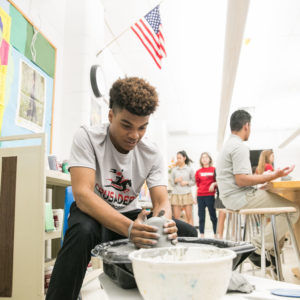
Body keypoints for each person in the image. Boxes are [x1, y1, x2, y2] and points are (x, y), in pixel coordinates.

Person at [46, 77, 197, 300]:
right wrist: (129, 229)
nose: (134, 135)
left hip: (130, 215)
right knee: (82, 232)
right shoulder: (87, 137)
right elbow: (83, 195)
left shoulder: (152, 152)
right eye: (127, 125)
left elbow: (161, 202)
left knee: (186, 233)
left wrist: (162, 223)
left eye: (142, 127)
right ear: (111, 116)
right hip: (94, 215)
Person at [216, 109, 299, 266]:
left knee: (283, 209)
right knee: (293, 209)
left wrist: (260, 186)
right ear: (246, 126)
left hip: (230, 198)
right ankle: (256, 246)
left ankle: (272, 251)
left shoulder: (228, 145)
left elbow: (239, 181)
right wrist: (274, 175)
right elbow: (242, 180)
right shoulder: (239, 146)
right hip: (239, 198)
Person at [195, 152, 218, 238]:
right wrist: (195, 197)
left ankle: (216, 234)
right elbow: (197, 185)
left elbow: (218, 181)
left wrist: (214, 184)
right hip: (200, 196)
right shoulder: (198, 172)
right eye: (202, 158)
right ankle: (202, 235)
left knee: (213, 216)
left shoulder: (214, 169)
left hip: (210, 195)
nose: (204, 159)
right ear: (201, 160)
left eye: (206, 157)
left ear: (209, 159)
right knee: (201, 216)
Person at [169, 151, 195, 225]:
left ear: (184, 158)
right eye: (177, 158)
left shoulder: (189, 169)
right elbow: (171, 183)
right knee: (176, 218)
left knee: (189, 216)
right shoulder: (174, 170)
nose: (178, 160)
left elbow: (194, 181)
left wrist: (186, 182)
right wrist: (175, 181)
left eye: (180, 158)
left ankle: (191, 235)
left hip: (187, 194)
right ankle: (178, 235)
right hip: (176, 194)